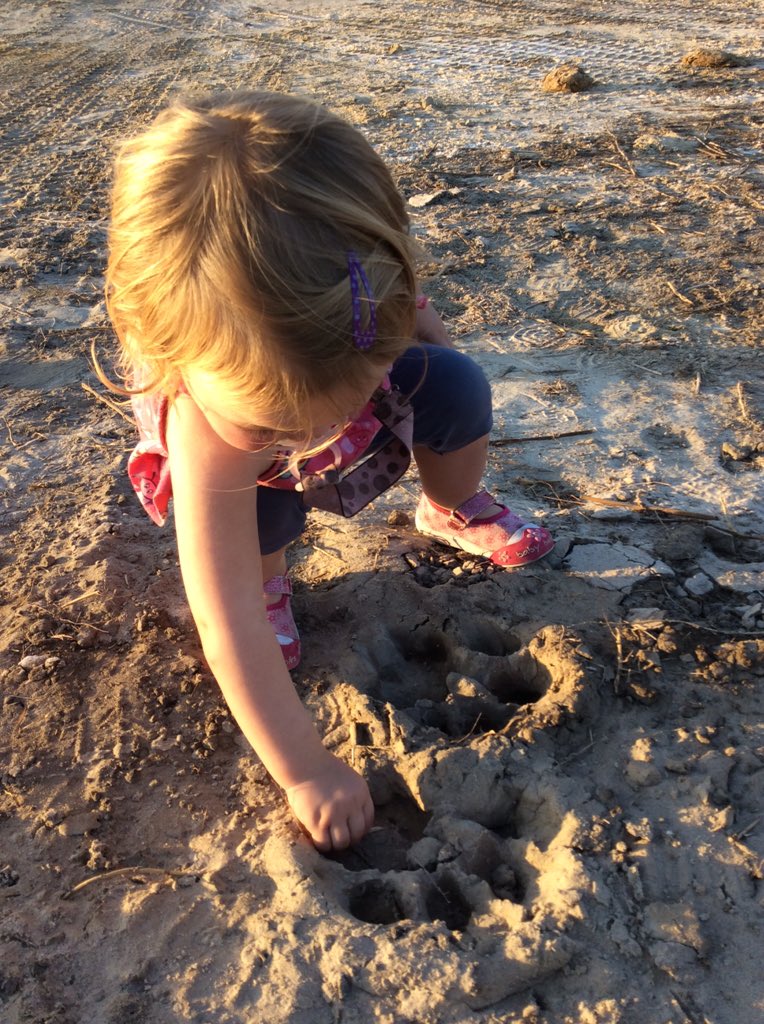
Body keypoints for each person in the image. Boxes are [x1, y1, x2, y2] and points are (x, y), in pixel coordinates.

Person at [99, 90, 553, 853]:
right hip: (252, 483)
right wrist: (305, 769)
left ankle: (452, 507)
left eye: (322, 406)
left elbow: (431, 342)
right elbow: (225, 620)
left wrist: (430, 368)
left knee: (458, 385)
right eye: (275, 419)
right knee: (262, 521)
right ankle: (274, 572)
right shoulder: (209, 426)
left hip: (338, 380)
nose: (309, 436)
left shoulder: (359, 296)